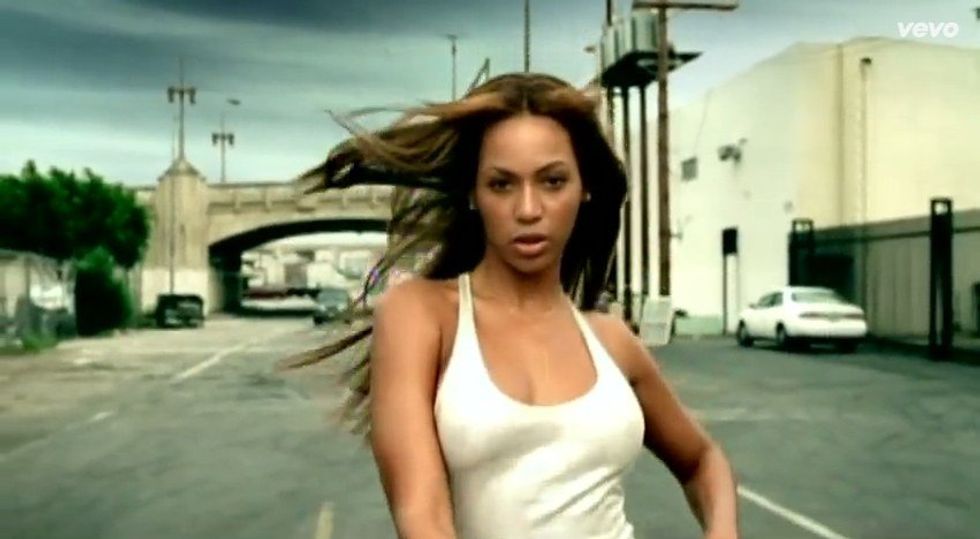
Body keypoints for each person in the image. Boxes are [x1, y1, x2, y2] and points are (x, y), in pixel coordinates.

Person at [282, 73, 739, 539]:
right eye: (502, 184)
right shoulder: (421, 315)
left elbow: (703, 461)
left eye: (553, 181)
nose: (528, 209)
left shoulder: (611, 340)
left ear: (584, 187)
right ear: (473, 194)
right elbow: (422, 516)